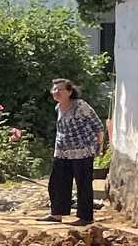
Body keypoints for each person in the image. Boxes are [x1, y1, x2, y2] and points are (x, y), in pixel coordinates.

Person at [45, 78, 106, 225]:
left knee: (83, 184)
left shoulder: (80, 106)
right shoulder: (58, 108)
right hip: (63, 152)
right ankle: (57, 213)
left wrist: (99, 146)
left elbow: (98, 126)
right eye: (54, 89)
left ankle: (85, 217)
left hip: (83, 151)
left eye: (60, 89)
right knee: (57, 183)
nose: (56, 92)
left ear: (70, 92)